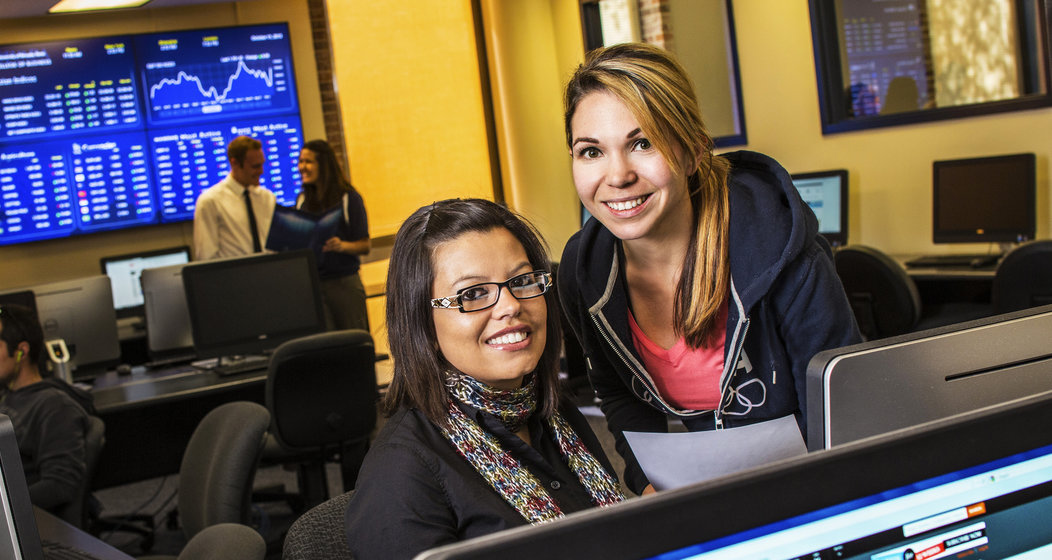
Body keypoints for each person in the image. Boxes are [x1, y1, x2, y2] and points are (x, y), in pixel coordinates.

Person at [558, 43, 862, 495]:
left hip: (814, 485)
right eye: (591, 152)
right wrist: (647, 485)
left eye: (643, 143)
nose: (617, 176)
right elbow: (617, 393)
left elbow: (842, 411)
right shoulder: (585, 271)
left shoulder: (780, 251)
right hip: (705, 493)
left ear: (694, 152)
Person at [346, 199, 624, 560]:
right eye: (473, 294)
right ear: (422, 324)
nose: (510, 306)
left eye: (522, 281)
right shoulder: (401, 474)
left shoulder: (556, 414)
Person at [0, 304, 94, 517]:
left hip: (21, 525)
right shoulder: (3, 398)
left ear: (21, 352)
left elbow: (60, 486)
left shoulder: (54, 406)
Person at [296, 139, 371, 331]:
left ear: (324, 164)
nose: (302, 167)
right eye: (301, 161)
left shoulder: (349, 198)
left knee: (355, 342)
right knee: (328, 349)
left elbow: (365, 245)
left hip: (344, 284)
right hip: (314, 287)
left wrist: (341, 246)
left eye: (308, 161)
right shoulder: (302, 200)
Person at [193, 135, 276, 260]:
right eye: (255, 166)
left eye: (262, 165)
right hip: (232, 276)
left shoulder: (267, 198)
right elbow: (206, 255)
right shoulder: (210, 201)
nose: (261, 171)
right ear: (235, 163)